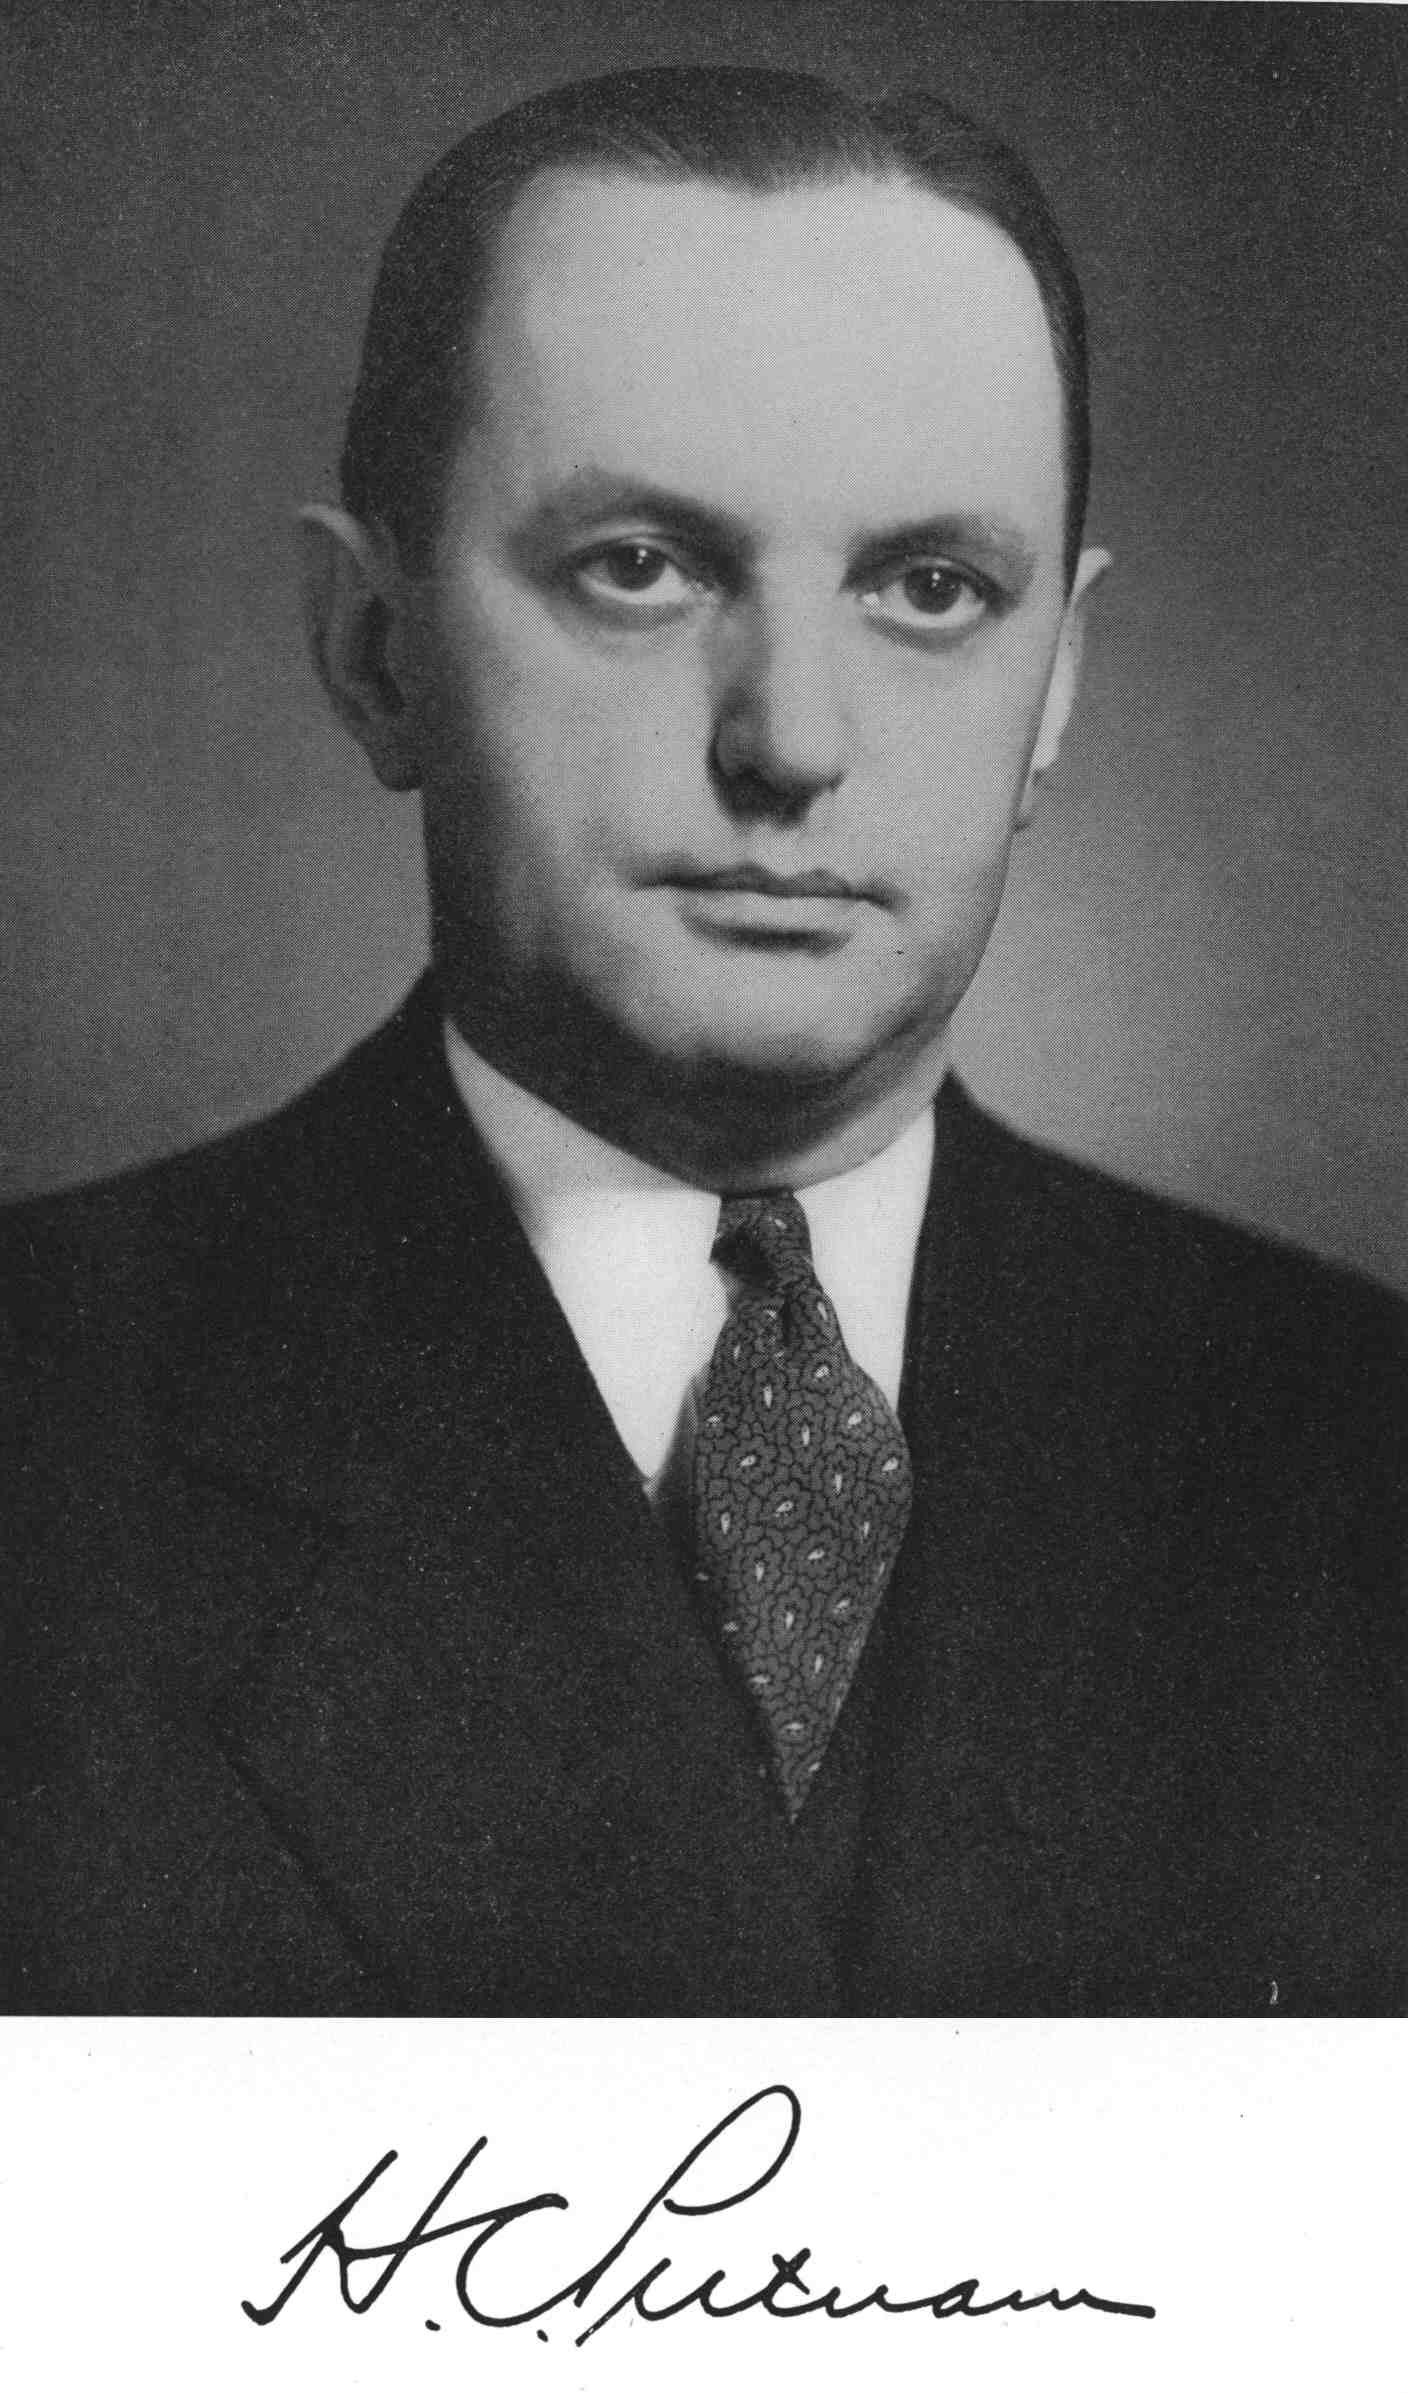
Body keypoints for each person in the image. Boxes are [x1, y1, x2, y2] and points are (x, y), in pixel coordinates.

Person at [3, 66, 1402, 2017]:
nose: (792, 741)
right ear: (373, 647)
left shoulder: (1355, 1456)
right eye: (639, 568)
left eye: (931, 589)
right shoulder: (48, 1442)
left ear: (1058, 686)